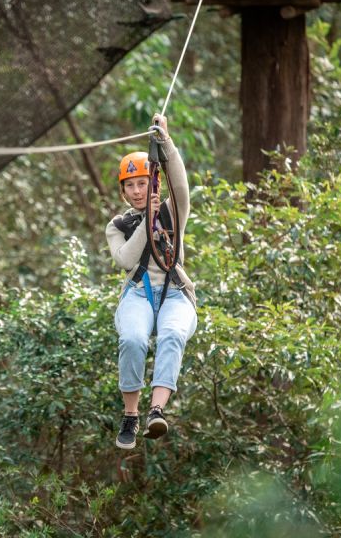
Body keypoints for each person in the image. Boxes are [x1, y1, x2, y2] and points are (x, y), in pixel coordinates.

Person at [106, 114, 197, 450]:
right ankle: (131, 415)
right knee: (132, 338)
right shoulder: (118, 225)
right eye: (130, 185)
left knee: (173, 334)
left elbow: (181, 185)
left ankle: (156, 409)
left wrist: (166, 142)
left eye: (142, 183)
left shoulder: (174, 211)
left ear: (153, 184)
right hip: (138, 293)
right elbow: (127, 260)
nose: (136, 190)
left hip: (175, 292)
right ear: (123, 191)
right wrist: (147, 220)